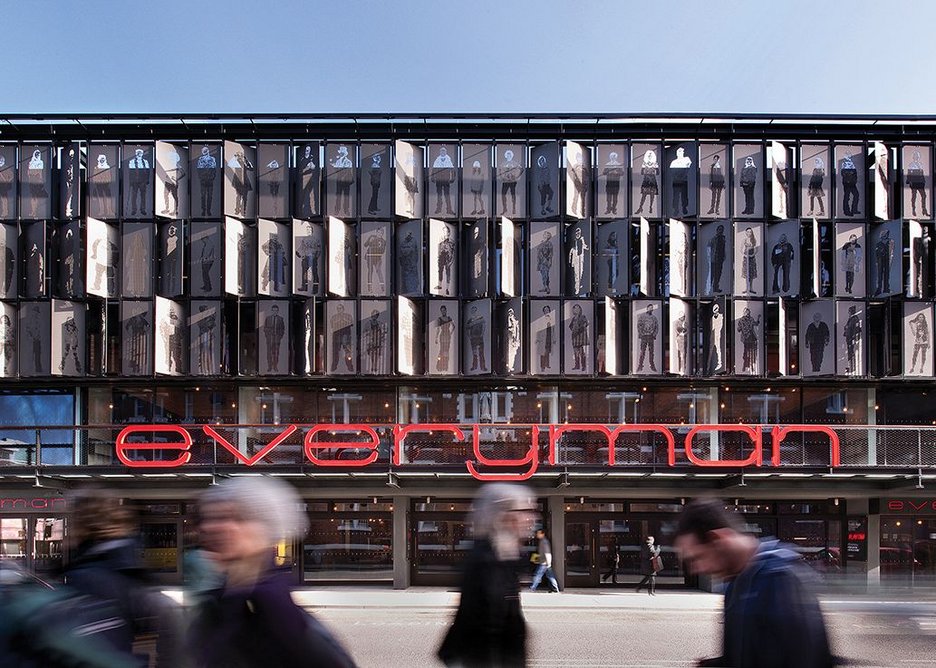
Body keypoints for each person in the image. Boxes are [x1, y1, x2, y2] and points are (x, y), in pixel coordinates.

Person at [190, 477, 356, 668]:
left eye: (237, 517)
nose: (213, 528)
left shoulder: (287, 624)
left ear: (268, 530)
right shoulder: (212, 609)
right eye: (209, 518)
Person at [674, 498, 834, 668]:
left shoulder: (782, 578)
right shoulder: (735, 584)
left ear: (718, 539)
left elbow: (805, 658)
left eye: (697, 558)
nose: (695, 569)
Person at [438, 484, 537, 667]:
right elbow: (483, 631)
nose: (531, 517)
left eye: (532, 510)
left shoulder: (507, 556)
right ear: (503, 515)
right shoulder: (485, 562)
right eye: (524, 510)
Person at [529, 528, 560, 593]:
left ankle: (532, 588)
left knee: (538, 575)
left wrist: (548, 563)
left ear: (543, 534)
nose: (537, 534)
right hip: (544, 562)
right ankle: (555, 588)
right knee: (550, 576)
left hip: (544, 563)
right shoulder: (542, 541)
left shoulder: (544, 542)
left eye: (538, 533)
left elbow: (547, 553)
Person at [431, 147, 456, 215]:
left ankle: (449, 210)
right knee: (439, 196)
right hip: (439, 181)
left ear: (446, 152)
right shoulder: (437, 160)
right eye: (441, 151)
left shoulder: (448, 160)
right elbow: (433, 170)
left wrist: (453, 178)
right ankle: (438, 209)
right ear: (440, 152)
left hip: (446, 181)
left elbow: (453, 171)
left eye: (444, 151)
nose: (442, 152)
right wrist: (432, 177)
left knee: (447, 195)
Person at [636, 303, 658, 372]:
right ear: (647, 308)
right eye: (650, 308)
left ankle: (652, 365)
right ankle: (640, 365)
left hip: (651, 337)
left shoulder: (654, 318)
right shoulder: (642, 317)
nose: (651, 309)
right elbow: (639, 325)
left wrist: (654, 335)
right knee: (642, 352)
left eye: (652, 308)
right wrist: (641, 334)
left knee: (651, 352)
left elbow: (656, 327)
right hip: (644, 337)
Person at [635, 149, 658, 215]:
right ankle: (640, 207)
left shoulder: (655, 164)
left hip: (652, 181)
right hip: (646, 180)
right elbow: (642, 173)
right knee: (643, 196)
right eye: (648, 155)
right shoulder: (644, 163)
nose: (650, 157)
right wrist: (643, 167)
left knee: (652, 195)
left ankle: (650, 207)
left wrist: (656, 167)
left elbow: (658, 173)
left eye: (651, 156)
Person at [196, 146, 218, 217]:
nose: (205, 152)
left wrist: (212, 178)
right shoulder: (200, 159)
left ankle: (208, 210)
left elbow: (214, 170)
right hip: (203, 180)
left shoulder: (212, 159)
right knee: (203, 196)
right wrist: (201, 178)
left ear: (208, 151)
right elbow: (198, 170)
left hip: (210, 180)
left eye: (206, 150)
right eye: (204, 151)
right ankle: (203, 210)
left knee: (209, 196)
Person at [907, 150, 929, 218]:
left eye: (918, 156)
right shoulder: (911, 165)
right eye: (916, 156)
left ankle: (924, 210)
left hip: (920, 183)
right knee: (914, 197)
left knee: (924, 196)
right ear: (914, 157)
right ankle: (913, 210)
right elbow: (909, 174)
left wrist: (923, 182)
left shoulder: (920, 164)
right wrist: (910, 182)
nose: (917, 158)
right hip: (914, 183)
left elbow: (921, 174)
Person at [602, 151, 623, 215]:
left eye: (614, 156)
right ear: (610, 157)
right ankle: (608, 209)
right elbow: (603, 173)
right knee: (608, 199)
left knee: (615, 198)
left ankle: (614, 209)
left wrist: (617, 173)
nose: (613, 158)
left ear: (616, 157)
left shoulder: (618, 164)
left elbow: (622, 173)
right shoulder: (608, 164)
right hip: (609, 184)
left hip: (616, 184)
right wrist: (609, 172)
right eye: (612, 156)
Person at [707, 224, 726, 293]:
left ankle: (715, 288)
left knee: (718, 274)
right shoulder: (713, 239)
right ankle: (708, 288)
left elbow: (723, 248)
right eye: (720, 229)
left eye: (722, 230)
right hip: (714, 259)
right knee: (712, 274)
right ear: (717, 230)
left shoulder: (723, 238)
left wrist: (724, 256)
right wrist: (710, 257)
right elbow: (709, 248)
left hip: (720, 259)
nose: (721, 231)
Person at [740, 226, 758, 294]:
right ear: (746, 232)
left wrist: (752, 255)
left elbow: (756, 249)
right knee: (746, 273)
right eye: (748, 231)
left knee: (751, 273)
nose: (749, 233)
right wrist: (744, 255)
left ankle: (751, 288)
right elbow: (741, 249)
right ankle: (746, 288)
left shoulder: (754, 240)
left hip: (752, 258)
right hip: (746, 258)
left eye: (750, 232)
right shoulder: (744, 240)